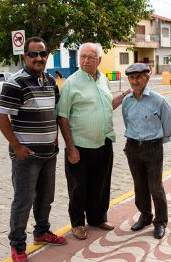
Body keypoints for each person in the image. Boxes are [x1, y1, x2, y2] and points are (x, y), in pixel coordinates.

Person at [0, 37, 66, 262]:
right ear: (25, 56)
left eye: (42, 54)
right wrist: (16, 146)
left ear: (47, 56)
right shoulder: (16, 83)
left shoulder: (51, 82)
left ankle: (42, 231)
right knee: (23, 201)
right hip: (26, 157)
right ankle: (17, 245)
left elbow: (53, 114)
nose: (38, 58)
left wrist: (55, 139)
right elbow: (0, 115)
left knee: (46, 197)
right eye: (33, 54)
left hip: (49, 154)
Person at [57, 42, 126, 240]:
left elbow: (106, 106)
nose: (86, 61)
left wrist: (123, 97)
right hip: (80, 145)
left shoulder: (103, 79)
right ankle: (77, 223)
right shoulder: (71, 82)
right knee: (79, 187)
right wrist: (70, 148)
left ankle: (97, 218)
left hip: (103, 142)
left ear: (99, 60)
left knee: (101, 184)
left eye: (90, 57)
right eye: (83, 57)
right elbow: (62, 116)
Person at [122, 63, 171, 239]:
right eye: (131, 77)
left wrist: (156, 142)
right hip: (132, 147)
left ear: (147, 78)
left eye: (138, 77)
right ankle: (145, 216)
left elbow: (168, 126)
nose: (134, 81)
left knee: (155, 187)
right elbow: (127, 122)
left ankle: (160, 222)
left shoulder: (158, 100)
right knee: (139, 186)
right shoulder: (127, 101)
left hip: (153, 147)